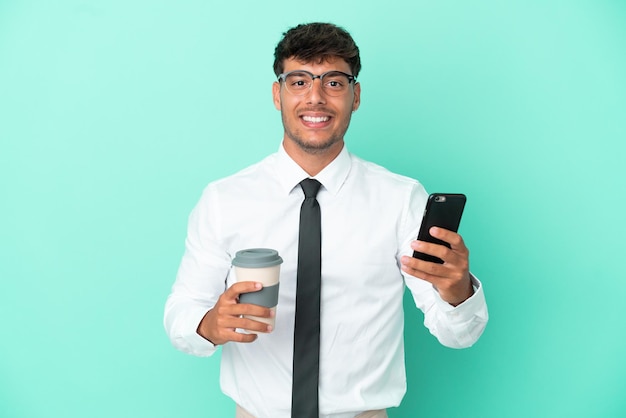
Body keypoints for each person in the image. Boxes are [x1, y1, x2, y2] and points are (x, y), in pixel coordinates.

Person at [164, 22, 488, 418]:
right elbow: (182, 311)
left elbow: (458, 333)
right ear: (276, 94)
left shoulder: (401, 199)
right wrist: (209, 325)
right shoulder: (224, 200)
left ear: (355, 96)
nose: (315, 98)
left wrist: (458, 292)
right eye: (298, 82)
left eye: (334, 83)